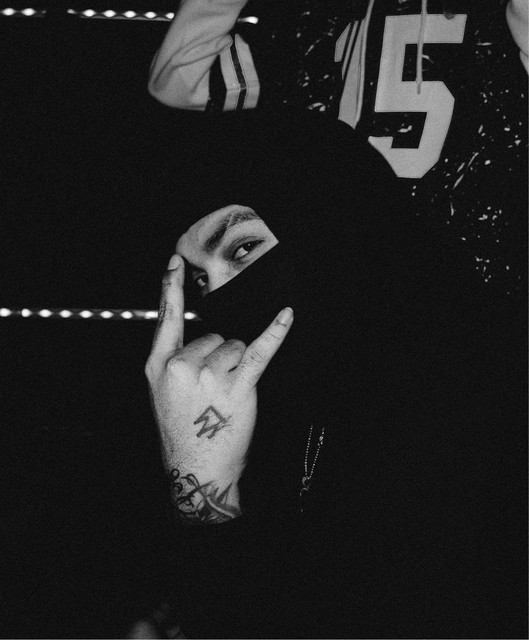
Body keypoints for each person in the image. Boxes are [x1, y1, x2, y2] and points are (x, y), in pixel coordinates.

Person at [143, 114, 525, 638]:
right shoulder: (289, 399)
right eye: (201, 280)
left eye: (243, 249)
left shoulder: (483, 401)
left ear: (334, 218)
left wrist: (202, 494)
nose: (223, 296)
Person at [148, 0, 528, 297]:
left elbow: (179, 81)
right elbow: (181, 81)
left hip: (476, 287)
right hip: (345, 287)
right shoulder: (318, 21)